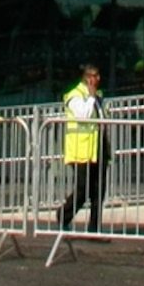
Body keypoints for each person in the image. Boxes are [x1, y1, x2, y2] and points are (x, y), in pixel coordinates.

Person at [58, 60, 107, 233]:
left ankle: (95, 228)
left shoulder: (98, 96)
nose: (98, 79)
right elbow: (84, 116)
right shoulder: (75, 96)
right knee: (83, 189)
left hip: (97, 149)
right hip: (81, 151)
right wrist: (92, 97)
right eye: (95, 76)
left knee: (98, 191)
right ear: (87, 78)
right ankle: (63, 215)